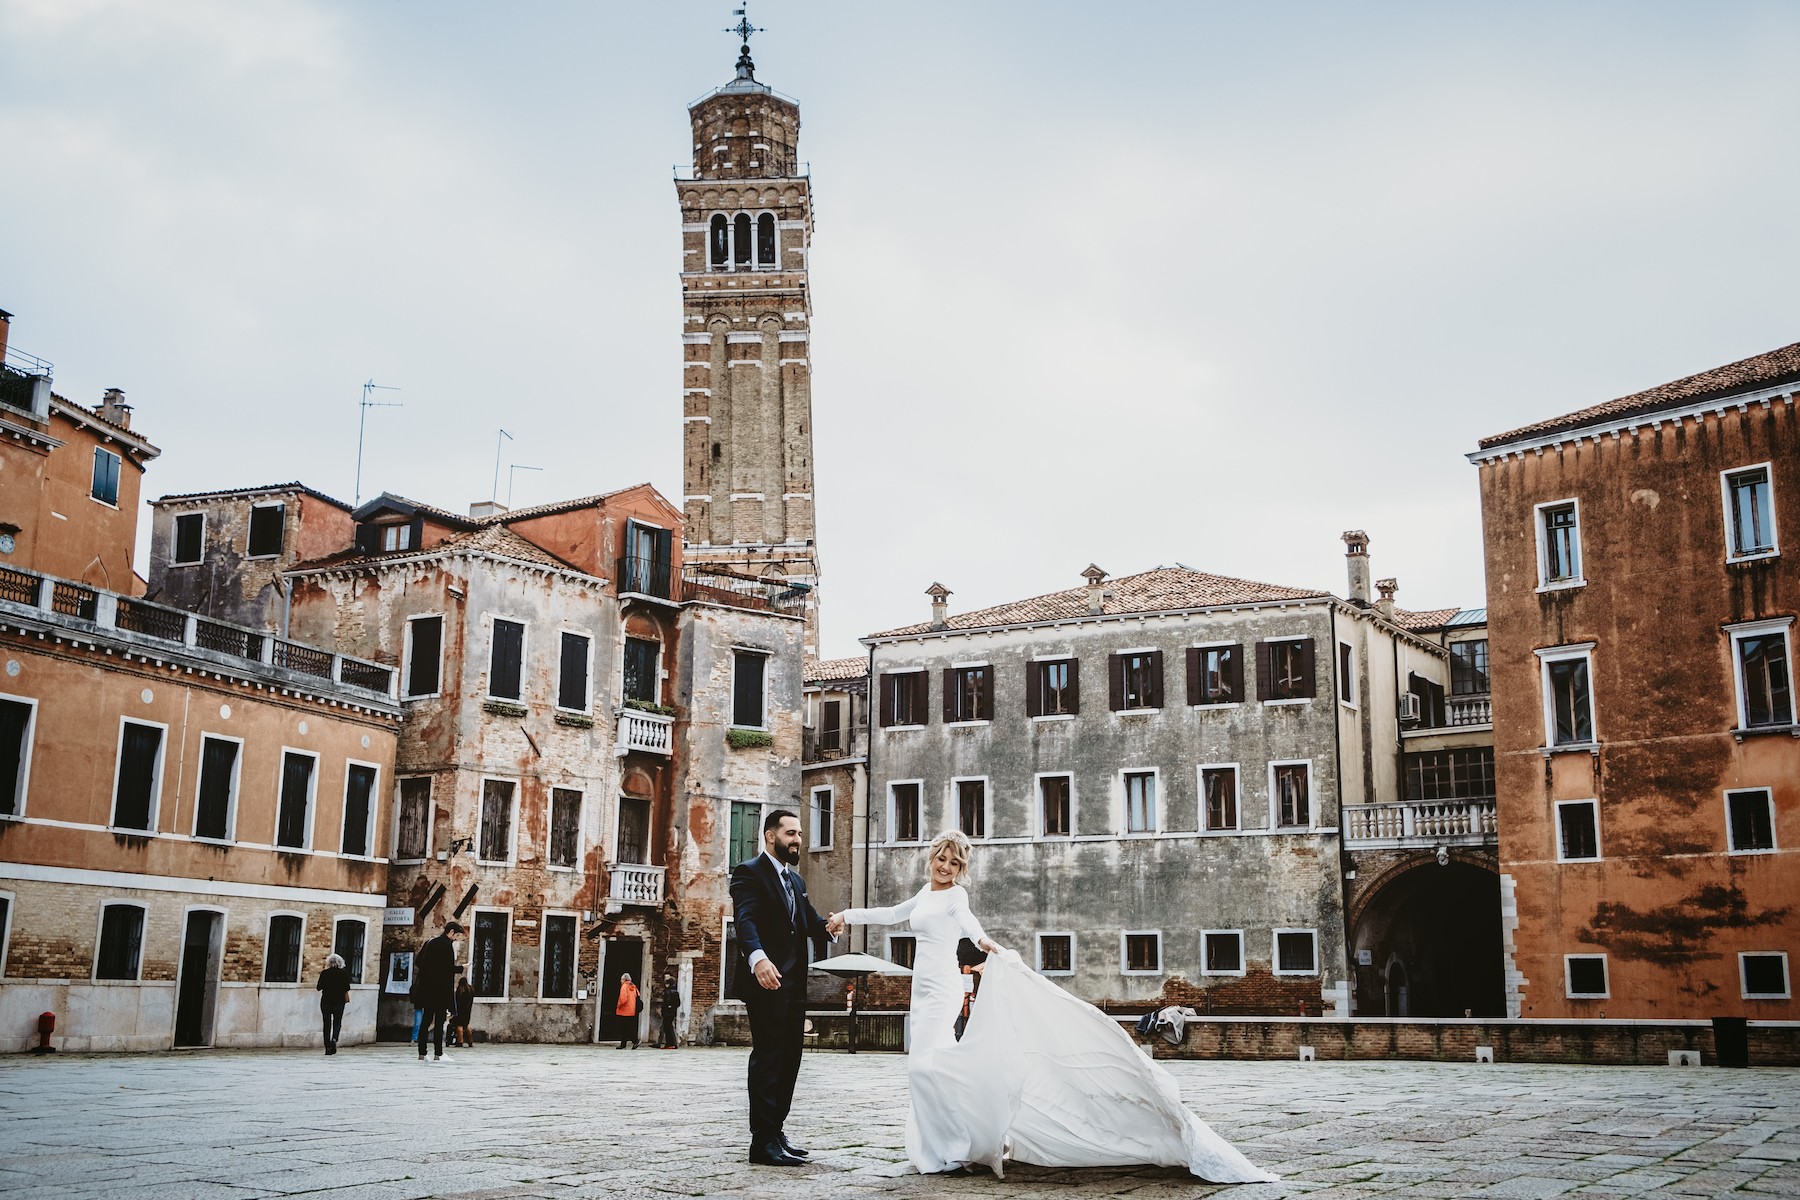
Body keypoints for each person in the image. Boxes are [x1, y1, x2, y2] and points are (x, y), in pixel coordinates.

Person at [828, 831, 1276, 1183]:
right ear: (932, 858)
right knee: (924, 1068)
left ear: (960, 868)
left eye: (953, 862)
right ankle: (948, 1146)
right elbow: (889, 914)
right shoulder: (923, 895)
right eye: (941, 858)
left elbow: (971, 928)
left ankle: (956, 1145)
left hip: (944, 985)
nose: (945, 867)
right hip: (920, 989)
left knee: (925, 1068)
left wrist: (992, 948)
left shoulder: (955, 897)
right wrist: (848, 915)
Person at [729, 808, 831, 1167]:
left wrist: (831, 925)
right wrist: (758, 960)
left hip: (794, 985)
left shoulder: (796, 881)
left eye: (800, 834)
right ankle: (762, 1141)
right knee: (769, 1058)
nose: (797, 840)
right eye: (790, 833)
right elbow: (745, 921)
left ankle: (776, 1131)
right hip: (766, 981)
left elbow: (809, 922)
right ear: (770, 836)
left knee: (790, 1060)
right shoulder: (749, 872)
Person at [413, 919, 461, 1064]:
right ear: (451, 932)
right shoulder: (447, 946)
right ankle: (438, 1054)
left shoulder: (431, 943)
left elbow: (419, 963)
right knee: (439, 1022)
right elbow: (447, 969)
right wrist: (461, 968)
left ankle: (422, 1053)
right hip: (440, 991)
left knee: (426, 1021)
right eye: (456, 936)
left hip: (427, 990)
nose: (456, 939)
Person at [315, 952, 350, 1055]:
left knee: (326, 1024)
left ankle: (327, 1045)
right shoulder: (343, 973)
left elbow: (318, 987)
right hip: (339, 1001)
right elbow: (347, 988)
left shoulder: (324, 973)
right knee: (337, 1022)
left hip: (326, 1001)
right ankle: (334, 1039)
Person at [615, 972, 640, 1049]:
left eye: (621, 979)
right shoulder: (634, 987)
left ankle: (634, 1041)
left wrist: (618, 1006)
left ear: (624, 980)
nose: (620, 981)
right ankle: (624, 1044)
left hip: (624, 1010)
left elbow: (623, 999)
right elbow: (638, 996)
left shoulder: (624, 987)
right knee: (628, 1027)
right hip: (632, 1010)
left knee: (624, 1028)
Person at [452, 971, 475, 1049]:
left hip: (460, 1011)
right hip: (468, 1011)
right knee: (466, 1026)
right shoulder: (471, 990)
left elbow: (457, 1002)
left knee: (459, 1026)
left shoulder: (460, 991)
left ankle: (460, 1042)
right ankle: (470, 1042)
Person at [659, 974, 681, 1049]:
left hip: (667, 1013)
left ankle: (670, 1044)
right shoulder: (676, 992)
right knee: (670, 1028)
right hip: (673, 1013)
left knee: (667, 1029)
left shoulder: (668, 992)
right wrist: (673, 1008)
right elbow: (678, 1003)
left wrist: (665, 1009)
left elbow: (667, 1002)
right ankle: (673, 1044)